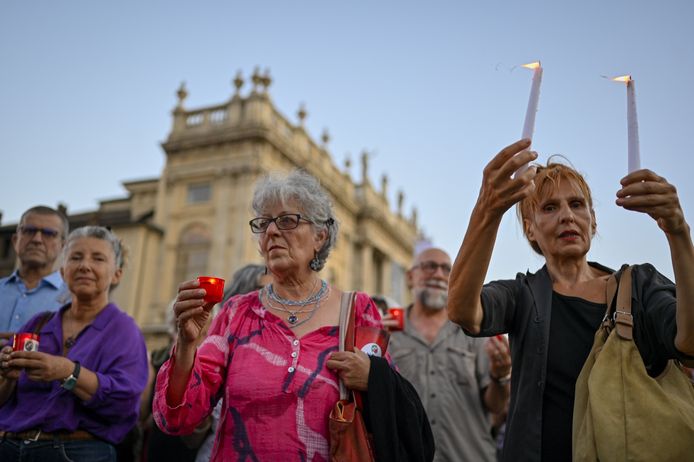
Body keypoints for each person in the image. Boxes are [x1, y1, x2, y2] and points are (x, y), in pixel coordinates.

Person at [153, 170, 434, 461]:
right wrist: (187, 345)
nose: (271, 231)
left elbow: (393, 406)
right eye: (264, 224)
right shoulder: (236, 313)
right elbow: (176, 419)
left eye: (287, 220)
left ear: (320, 236)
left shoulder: (357, 311)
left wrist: (372, 377)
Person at [447, 139, 694, 461]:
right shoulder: (522, 294)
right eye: (549, 207)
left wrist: (678, 231)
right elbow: (463, 310)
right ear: (530, 229)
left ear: (593, 220)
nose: (567, 216)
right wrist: (488, 210)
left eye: (577, 204)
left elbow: (689, 342)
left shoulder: (640, 286)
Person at [0, 226, 149, 461]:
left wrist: (68, 372)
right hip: (10, 447)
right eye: (76, 257)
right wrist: (7, 376)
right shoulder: (39, 323)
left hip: (77, 451)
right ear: (62, 271)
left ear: (117, 273)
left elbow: (125, 404)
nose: (84, 266)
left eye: (98, 258)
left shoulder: (124, 330)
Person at [389, 247, 510, 462]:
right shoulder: (388, 334)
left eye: (446, 270)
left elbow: (496, 406)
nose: (437, 274)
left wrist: (500, 376)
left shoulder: (475, 330)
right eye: (429, 267)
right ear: (410, 277)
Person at [0, 206, 70, 333]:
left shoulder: (73, 301)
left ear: (63, 246)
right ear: (15, 240)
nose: (37, 239)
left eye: (49, 234)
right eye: (29, 231)